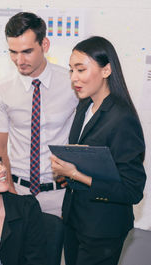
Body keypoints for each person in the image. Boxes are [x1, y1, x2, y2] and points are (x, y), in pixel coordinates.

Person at [0, 11, 78, 265]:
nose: (19, 60)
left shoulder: (71, 83)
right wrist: (11, 193)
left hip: (61, 193)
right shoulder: (0, 91)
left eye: (26, 51)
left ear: (44, 45)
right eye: (12, 52)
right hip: (18, 191)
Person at [51, 36, 146, 265]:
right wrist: (67, 175)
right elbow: (91, 164)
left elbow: (132, 190)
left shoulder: (122, 118)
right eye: (71, 70)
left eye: (81, 70)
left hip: (103, 228)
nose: (74, 78)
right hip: (75, 219)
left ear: (106, 70)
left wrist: (77, 175)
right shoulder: (85, 107)